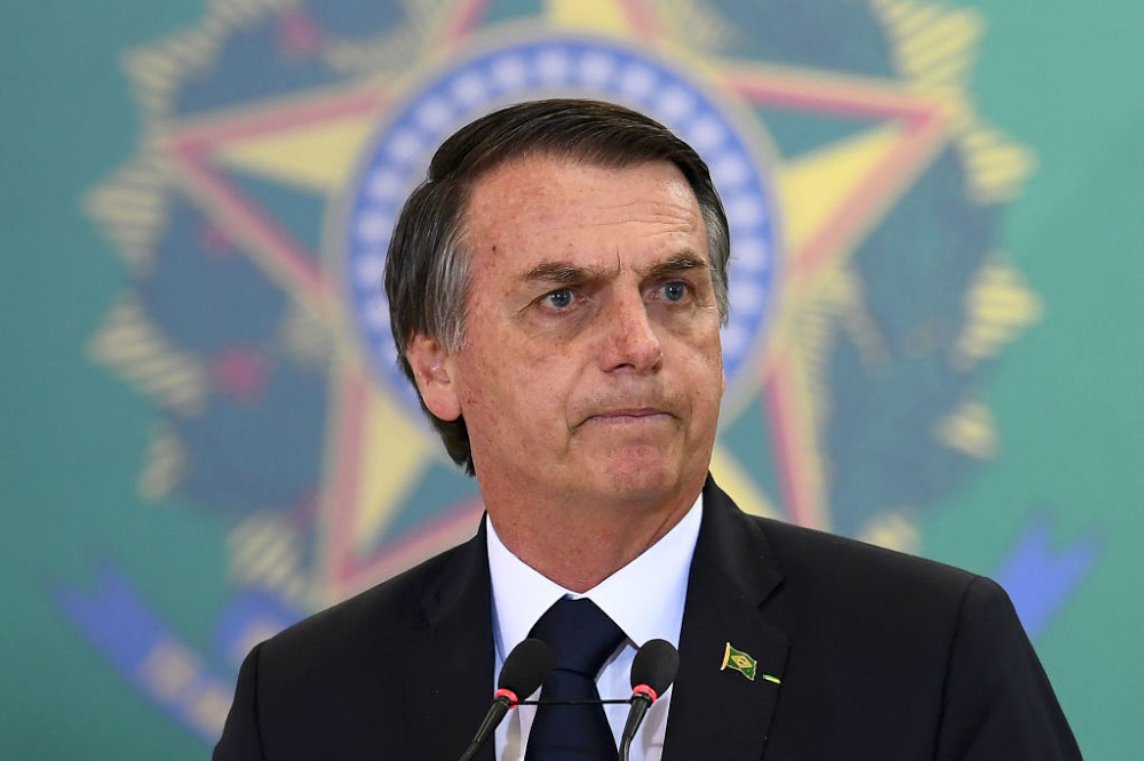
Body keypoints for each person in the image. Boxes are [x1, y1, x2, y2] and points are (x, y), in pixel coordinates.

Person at [214, 99, 1081, 760]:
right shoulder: (298, 702)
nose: (639, 344)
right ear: (438, 365)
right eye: (563, 297)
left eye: (674, 291)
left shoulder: (930, 652)